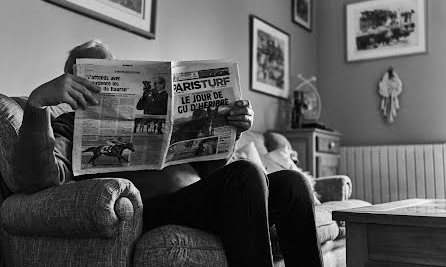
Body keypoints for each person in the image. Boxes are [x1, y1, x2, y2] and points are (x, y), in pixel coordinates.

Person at [14, 40, 323, 267]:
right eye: (87, 73)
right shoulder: (65, 124)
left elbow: (213, 173)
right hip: (151, 210)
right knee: (247, 173)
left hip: (202, 200)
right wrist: (37, 103)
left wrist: (232, 127)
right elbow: (37, 181)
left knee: (292, 184)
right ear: (69, 78)